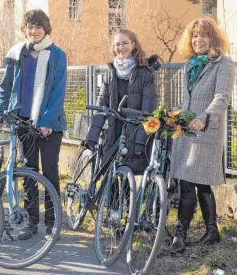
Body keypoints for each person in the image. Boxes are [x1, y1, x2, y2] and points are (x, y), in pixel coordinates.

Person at [0, 9, 67, 240]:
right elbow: (5, 86)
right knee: (28, 173)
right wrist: (1, 112)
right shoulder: (17, 54)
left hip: (49, 124)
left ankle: (53, 223)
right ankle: (32, 221)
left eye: (38, 26)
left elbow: (58, 91)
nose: (33, 31)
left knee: (50, 172)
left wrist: (46, 121)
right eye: (29, 27)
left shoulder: (57, 54)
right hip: (23, 122)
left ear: (46, 28)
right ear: (24, 29)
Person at [168, 18, 236, 254]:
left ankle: (180, 235)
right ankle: (212, 231)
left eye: (203, 35)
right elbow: (188, 99)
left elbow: (222, 97)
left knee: (189, 180)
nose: (198, 40)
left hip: (205, 129)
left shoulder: (224, 64)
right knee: (199, 182)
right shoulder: (191, 64)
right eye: (194, 35)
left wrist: (206, 118)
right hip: (186, 130)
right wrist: (172, 114)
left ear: (213, 39)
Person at [85, 29, 157, 173]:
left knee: (127, 177)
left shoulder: (145, 74)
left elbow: (148, 112)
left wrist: (139, 143)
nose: (121, 48)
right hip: (114, 131)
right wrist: (92, 137)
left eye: (125, 43)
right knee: (108, 178)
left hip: (134, 131)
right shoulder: (110, 74)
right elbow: (101, 106)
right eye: (117, 44)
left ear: (133, 45)